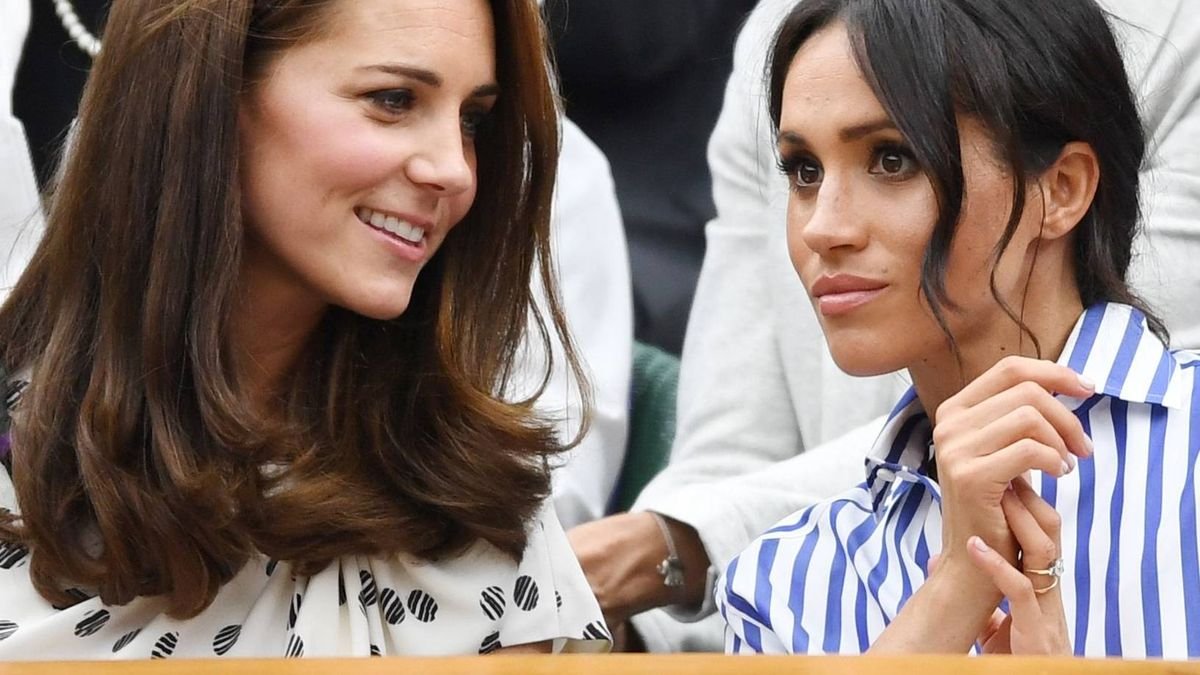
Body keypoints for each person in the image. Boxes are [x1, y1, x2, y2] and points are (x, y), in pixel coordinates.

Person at [571, 0, 1200, 653]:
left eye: (893, 160)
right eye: (804, 171)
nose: (823, 227)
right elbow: (726, 446)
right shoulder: (781, 583)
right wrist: (952, 592)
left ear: (1061, 188)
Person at [0, 0, 610, 659]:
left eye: (472, 120)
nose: (454, 169)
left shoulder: (468, 499)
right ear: (210, 93)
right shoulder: (23, 444)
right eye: (393, 100)